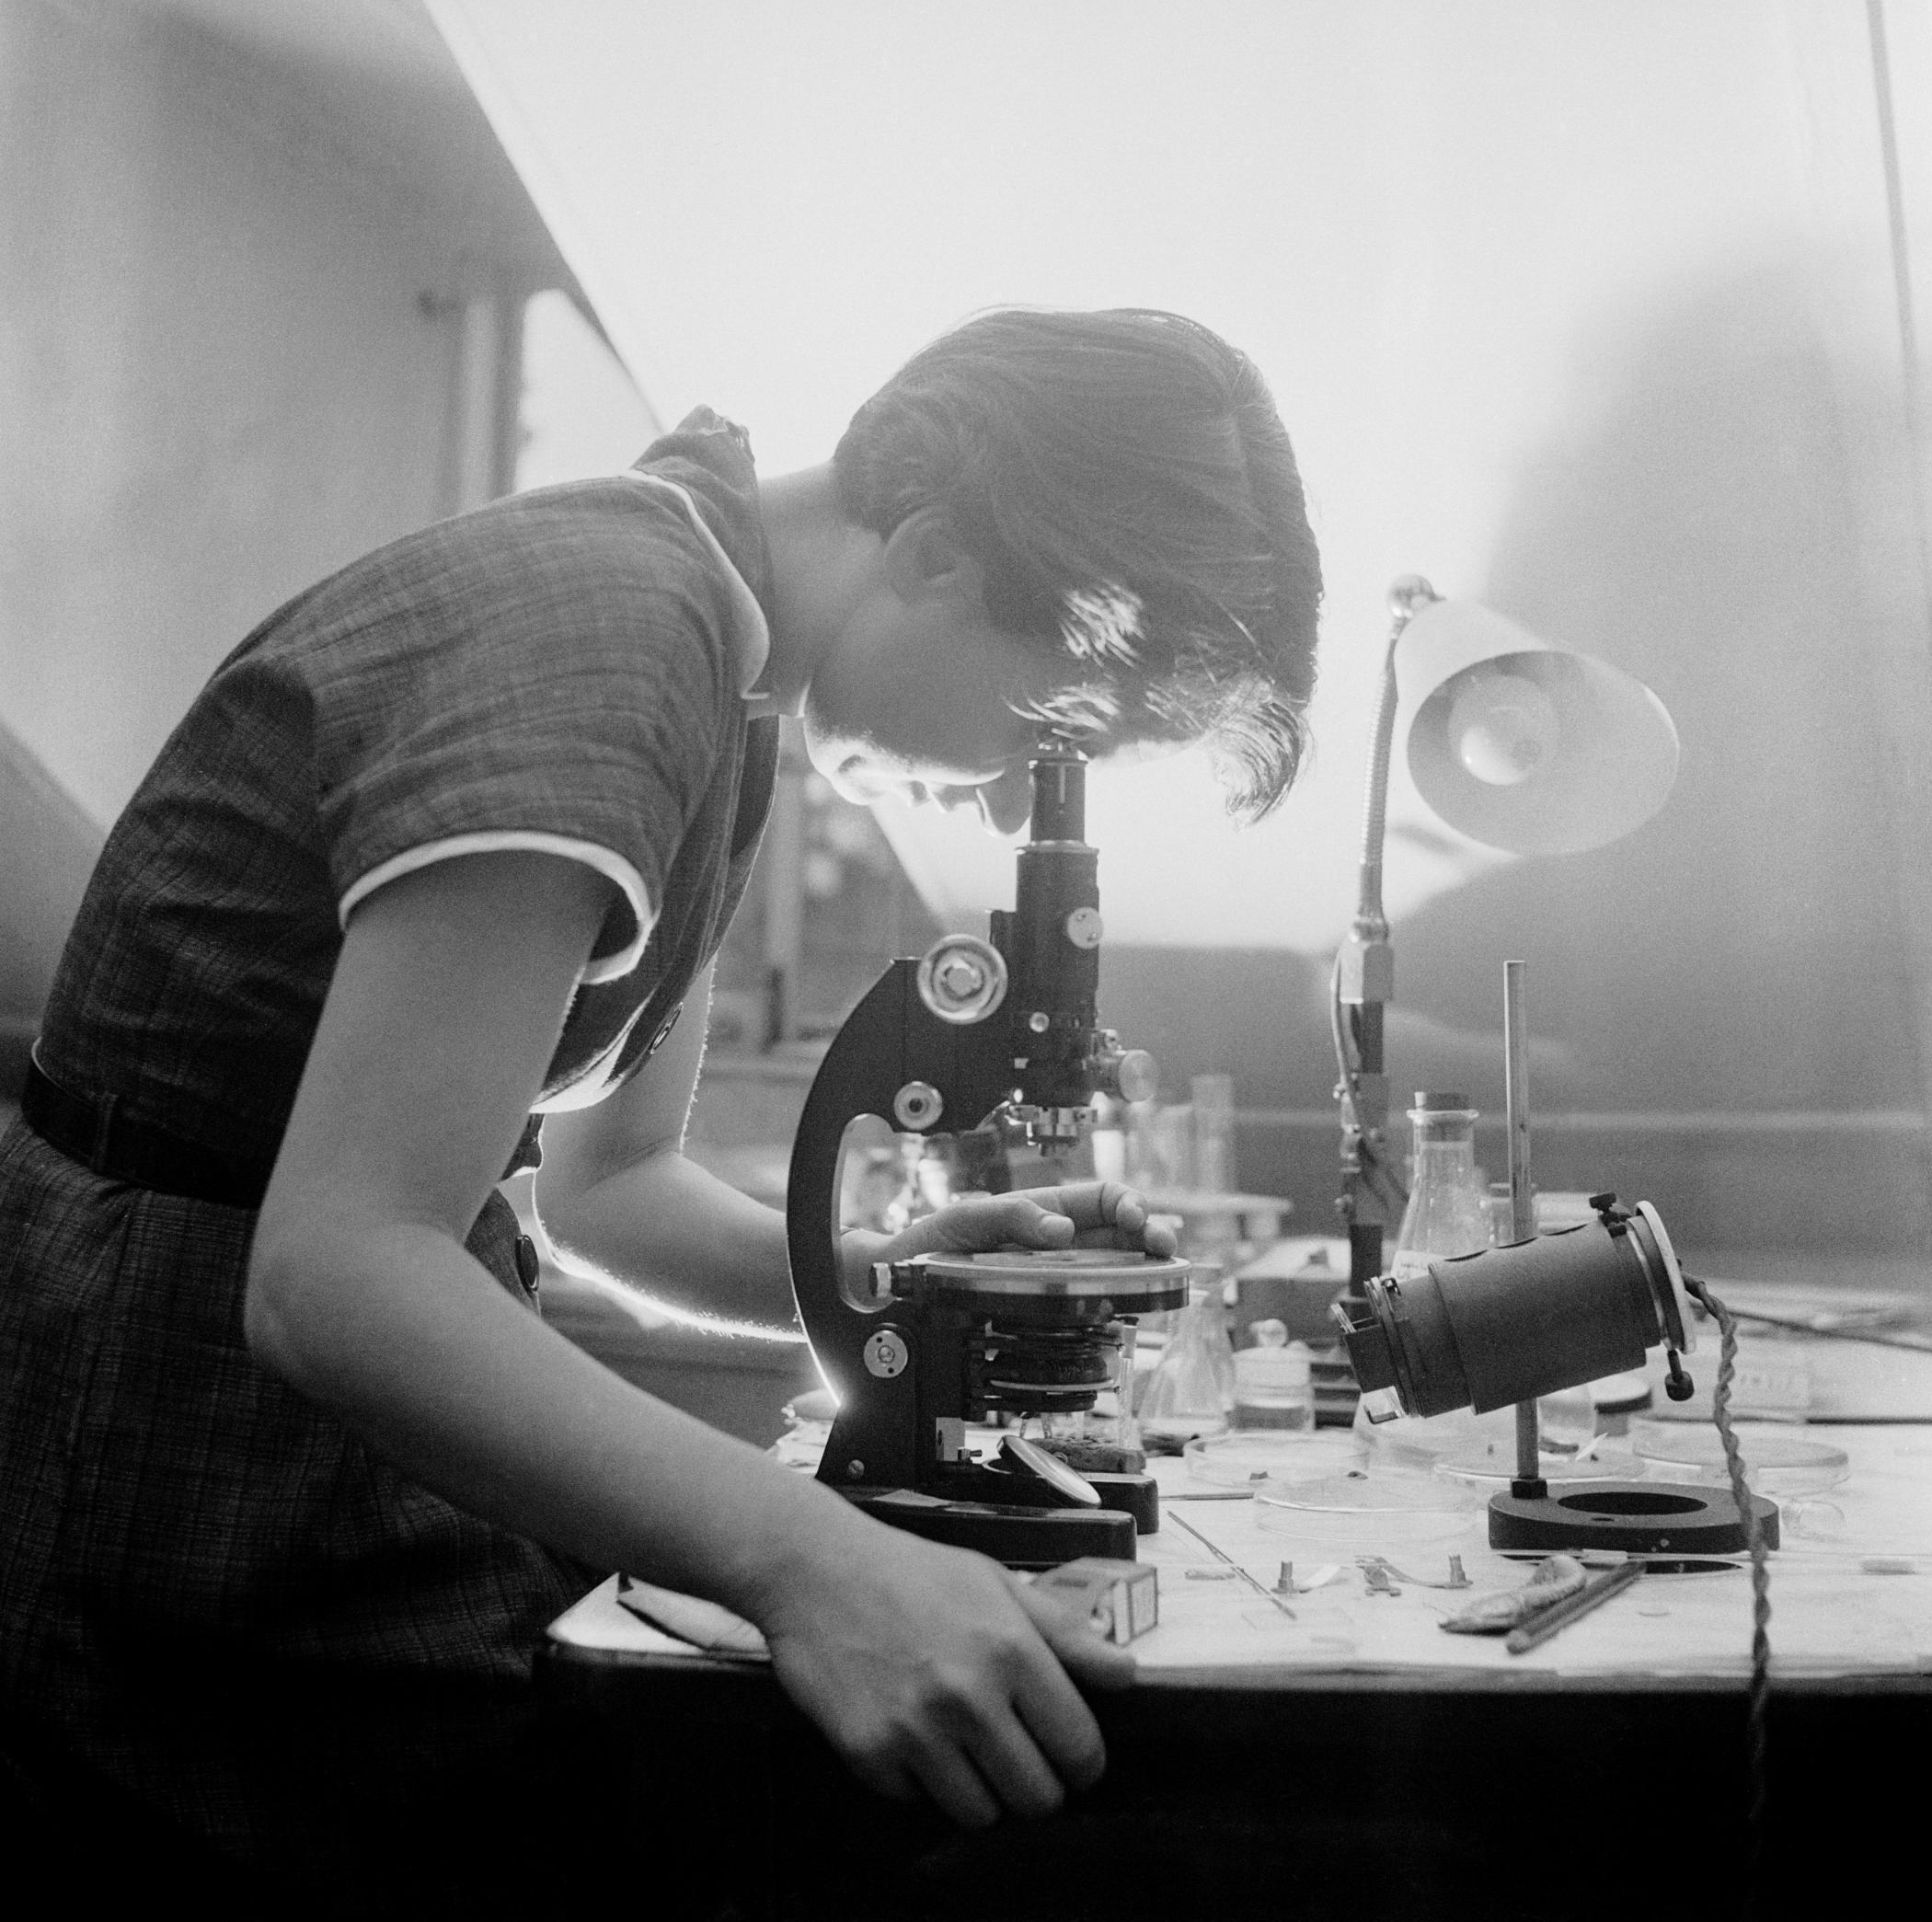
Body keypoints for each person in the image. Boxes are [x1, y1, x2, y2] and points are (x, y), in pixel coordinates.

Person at [0, 307, 1322, 1905]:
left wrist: (891, 1281)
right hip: (180, 1443)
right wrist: (814, 1559)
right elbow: (338, 1272)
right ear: (940, 553)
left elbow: (608, 1185)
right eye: (1045, 728)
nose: (994, 796)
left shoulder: (727, 670)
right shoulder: (609, 635)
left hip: (312, 1407)